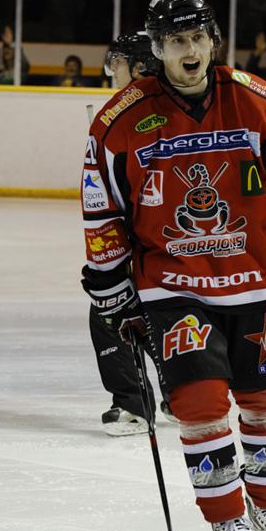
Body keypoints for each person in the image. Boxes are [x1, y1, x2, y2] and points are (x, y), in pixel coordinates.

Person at [80, 0, 266, 531]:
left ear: (213, 39)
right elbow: (102, 209)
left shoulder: (264, 104)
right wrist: (112, 286)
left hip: (254, 282)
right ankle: (226, 515)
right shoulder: (119, 120)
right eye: (174, 41)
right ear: (157, 47)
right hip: (172, 288)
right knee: (199, 403)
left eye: (196, 38)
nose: (188, 51)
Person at [88, 30, 164, 437]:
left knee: (110, 309)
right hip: (188, 239)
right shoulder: (173, 103)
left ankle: (134, 405)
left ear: (138, 67)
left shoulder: (123, 116)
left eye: (117, 62)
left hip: (154, 238)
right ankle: (181, 394)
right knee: (165, 309)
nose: (111, 70)